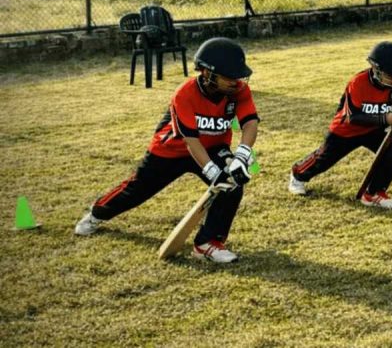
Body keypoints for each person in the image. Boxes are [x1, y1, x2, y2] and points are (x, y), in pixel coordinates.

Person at [74, 38, 260, 263]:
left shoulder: (239, 91)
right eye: (229, 75)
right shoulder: (185, 94)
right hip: (171, 150)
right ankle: (97, 213)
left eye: (238, 74)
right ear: (207, 73)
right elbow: (190, 141)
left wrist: (242, 154)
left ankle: (207, 243)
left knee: (232, 184)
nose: (236, 80)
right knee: (137, 190)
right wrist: (212, 172)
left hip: (212, 147)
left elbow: (250, 122)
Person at [289, 42, 392, 209]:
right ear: (376, 69)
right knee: (323, 159)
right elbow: (353, 117)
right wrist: (387, 119)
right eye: (391, 75)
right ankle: (297, 175)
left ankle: (373, 194)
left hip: (375, 130)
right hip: (346, 131)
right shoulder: (358, 83)